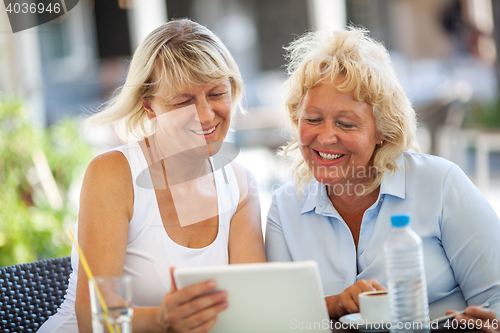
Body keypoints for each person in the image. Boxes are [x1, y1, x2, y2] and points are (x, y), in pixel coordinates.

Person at [39, 19, 265, 333]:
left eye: (216, 94)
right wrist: (163, 320)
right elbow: (94, 317)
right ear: (149, 106)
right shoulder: (114, 174)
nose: (205, 115)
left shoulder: (240, 184)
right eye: (184, 101)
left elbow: (251, 305)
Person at [265, 26, 500, 320]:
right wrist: (335, 304)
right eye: (312, 119)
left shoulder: (440, 184)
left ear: (382, 132)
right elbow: (278, 318)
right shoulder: (284, 207)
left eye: (346, 124)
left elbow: (496, 296)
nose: (325, 138)